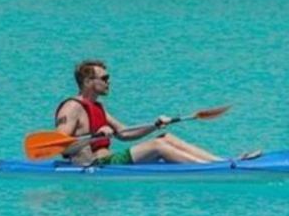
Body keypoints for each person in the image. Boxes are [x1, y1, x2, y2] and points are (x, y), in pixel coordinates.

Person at [55, 60, 223, 166]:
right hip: (94, 164)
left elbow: (124, 133)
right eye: (105, 78)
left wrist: (154, 125)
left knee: (165, 138)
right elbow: (61, 146)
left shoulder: (97, 106)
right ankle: (207, 169)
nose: (109, 82)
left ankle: (220, 162)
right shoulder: (72, 107)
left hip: (108, 160)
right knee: (158, 146)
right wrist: (94, 137)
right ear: (88, 82)